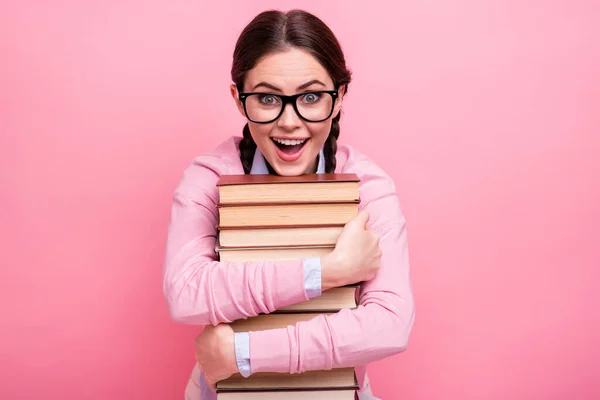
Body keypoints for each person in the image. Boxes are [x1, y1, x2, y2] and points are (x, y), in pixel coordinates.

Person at [162, 9, 415, 400]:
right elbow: (186, 294)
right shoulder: (210, 177)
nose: (290, 122)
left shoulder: (367, 185)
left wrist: (243, 354)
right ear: (238, 97)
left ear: (340, 95)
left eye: (311, 97)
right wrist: (328, 271)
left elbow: (390, 324)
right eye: (267, 98)